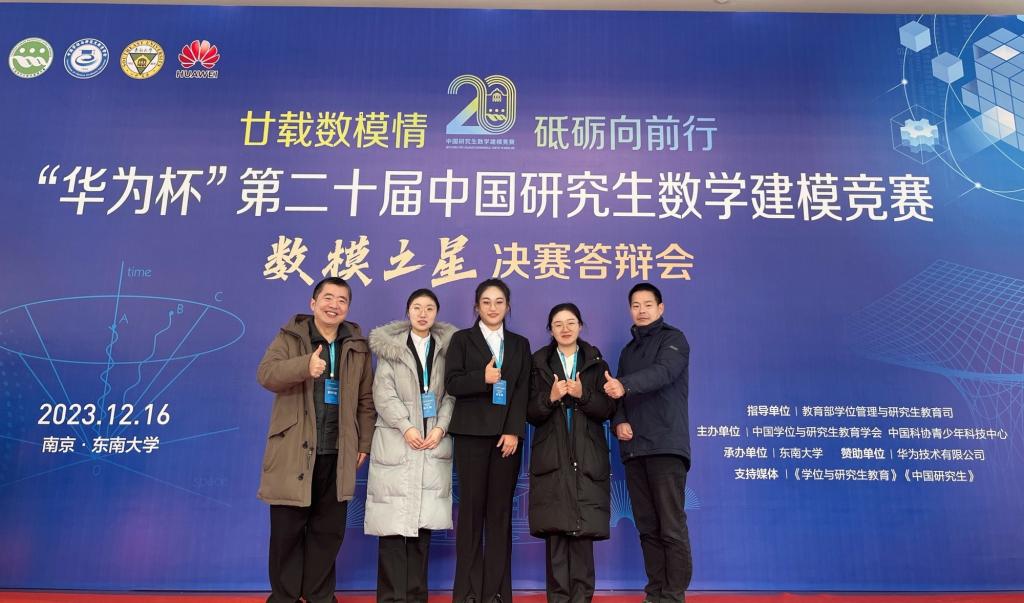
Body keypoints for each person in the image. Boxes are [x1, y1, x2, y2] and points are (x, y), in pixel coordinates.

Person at [256, 276, 376, 603]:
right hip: (294, 450)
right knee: (287, 532)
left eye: (342, 300)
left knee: (328, 532)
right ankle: (284, 597)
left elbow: (366, 400)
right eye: (328, 298)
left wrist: (363, 443)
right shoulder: (290, 337)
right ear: (313, 303)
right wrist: (304, 366)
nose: (334, 305)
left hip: (338, 452)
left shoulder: (357, 346)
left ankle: (319, 596)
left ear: (348, 307)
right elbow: (266, 374)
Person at [365, 288, 457, 603]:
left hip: (432, 443)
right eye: (417, 307)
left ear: (436, 313)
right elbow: (383, 393)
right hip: (396, 442)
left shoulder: (447, 351)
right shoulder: (391, 349)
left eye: (429, 308)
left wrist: (441, 427)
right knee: (392, 529)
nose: (422, 313)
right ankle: (390, 598)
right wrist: (406, 426)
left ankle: (417, 597)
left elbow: (451, 395)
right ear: (407, 312)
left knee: (422, 528)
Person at [444, 278, 532, 603]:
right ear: (476, 306)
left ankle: (496, 592)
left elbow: (522, 390)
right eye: (486, 302)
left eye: (499, 302)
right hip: (471, 437)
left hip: (506, 440)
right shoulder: (462, 340)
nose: (493, 308)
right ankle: (467, 592)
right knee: (470, 514)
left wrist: (513, 430)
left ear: (508, 306)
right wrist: (481, 378)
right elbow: (452, 383)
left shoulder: (520, 344)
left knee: (500, 514)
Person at [604, 283, 692, 603]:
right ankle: (655, 592)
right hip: (634, 449)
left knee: (671, 525)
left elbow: (663, 373)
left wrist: (624, 385)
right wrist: (619, 421)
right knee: (648, 527)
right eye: (635, 305)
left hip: (666, 445)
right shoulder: (628, 351)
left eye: (647, 304)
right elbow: (618, 397)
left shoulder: (674, 339)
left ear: (660, 307)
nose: (641, 310)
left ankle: (673, 595)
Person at [527, 303, 615, 603]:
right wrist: (550, 398)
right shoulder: (538, 363)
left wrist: (583, 395)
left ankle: (582, 598)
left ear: (580, 325)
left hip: (587, 455)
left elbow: (608, 409)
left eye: (571, 322)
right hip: (551, 456)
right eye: (558, 324)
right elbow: (528, 412)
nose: (565, 329)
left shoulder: (596, 363)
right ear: (550, 330)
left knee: (582, 533)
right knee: (556, 534)